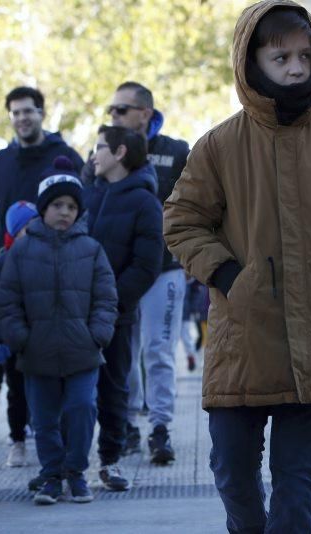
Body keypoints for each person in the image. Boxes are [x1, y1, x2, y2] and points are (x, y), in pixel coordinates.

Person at [163, 3, 311, 532]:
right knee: (231, 471)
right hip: (244, 332)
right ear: (251, 60)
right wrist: (229, 278)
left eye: (304, 56)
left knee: (296, 475)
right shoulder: (219, 145)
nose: (294, 67)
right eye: (280, 55)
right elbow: (182, 220)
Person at [0, 162, 118, 505]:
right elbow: (8, 298)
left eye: (71, 207)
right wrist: (20, 338)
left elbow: (106, 298)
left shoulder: (92, 249)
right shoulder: (20, 250)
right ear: (43, 209)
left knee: (82, 409)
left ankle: (76, 473)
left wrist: (97, 334)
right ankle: (51, 475)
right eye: (57, 205)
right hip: (37, 353)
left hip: (83, 351)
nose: (64, 212)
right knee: (45, 418)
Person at [85, 82, 190, 463]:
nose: (113, 116)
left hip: (164, 270)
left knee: (158, 350)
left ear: (144, 113)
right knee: (122, 353)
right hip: (116, 276)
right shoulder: (104, 151)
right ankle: (126, 423)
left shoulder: (176, 152)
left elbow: (199, 207)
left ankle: (160, 428)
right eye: (111, 110)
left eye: (121, 110)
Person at [83, 125, 163, 491]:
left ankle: (109, 461)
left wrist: (110, 301)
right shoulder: (87, 194)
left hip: (115, 313)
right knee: (72, 390)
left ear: (118, 154)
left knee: (113, 388)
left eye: (99, 147)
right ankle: (66, 466)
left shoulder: (145, 202)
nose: (93, 154)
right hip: (72, 312)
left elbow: (146, 266)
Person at [0, 86, 85, 244]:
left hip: (54, 258)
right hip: (3, 259)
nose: (22, 117)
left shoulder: (67, 157)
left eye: (28, 111)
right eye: (15, 113)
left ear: (42, 114)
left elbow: (83, 206)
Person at [0, 202, 41, 468]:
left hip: (41, 338)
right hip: (13, 339)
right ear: (15, 231)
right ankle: (17, 440)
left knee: (44, 392)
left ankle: (45, 439)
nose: (31, 233)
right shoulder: (2, 261)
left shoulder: (44, 256)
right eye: (26, 228)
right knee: (16, 393)